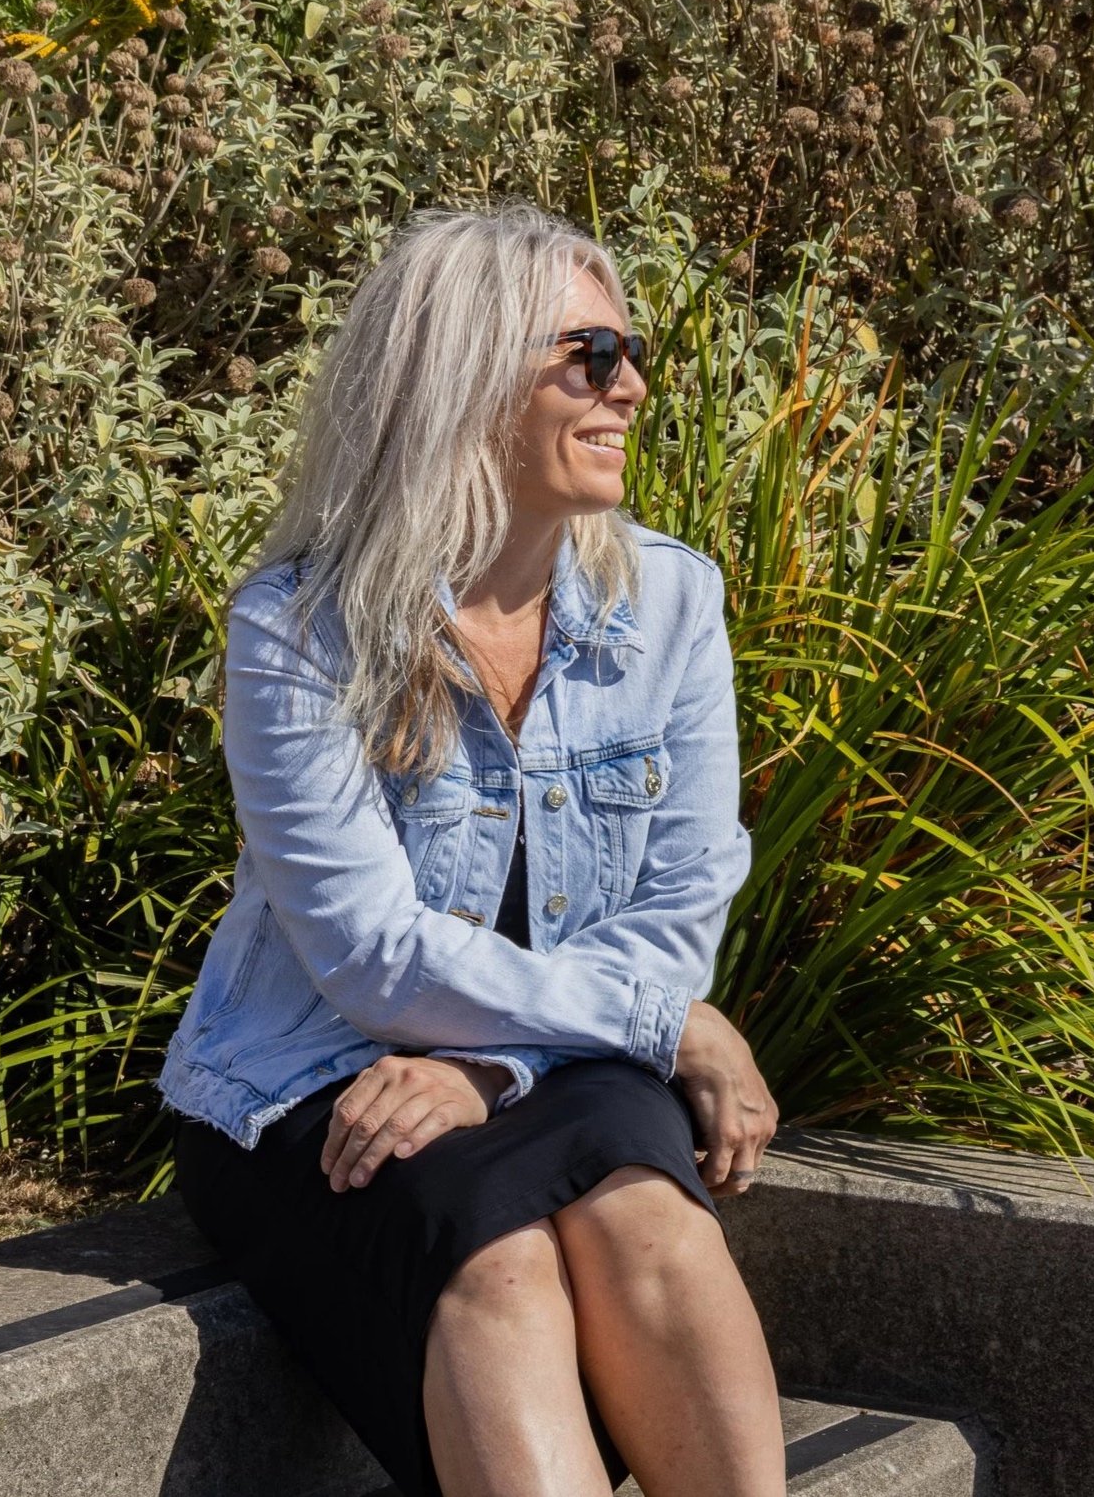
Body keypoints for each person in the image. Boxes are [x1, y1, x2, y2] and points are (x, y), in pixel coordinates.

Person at [158, 200, 783, 1497]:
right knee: (494, 1260)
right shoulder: (297, 630)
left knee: (647, 1226)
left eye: (630, 352)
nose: (632, 387)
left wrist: (492, 1067)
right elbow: (368, 959)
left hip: (563, 1057)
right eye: (592, 356)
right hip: (310, 1079)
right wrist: (667, 1023)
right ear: (465, 372)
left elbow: (675, 921)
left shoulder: (669, 601)